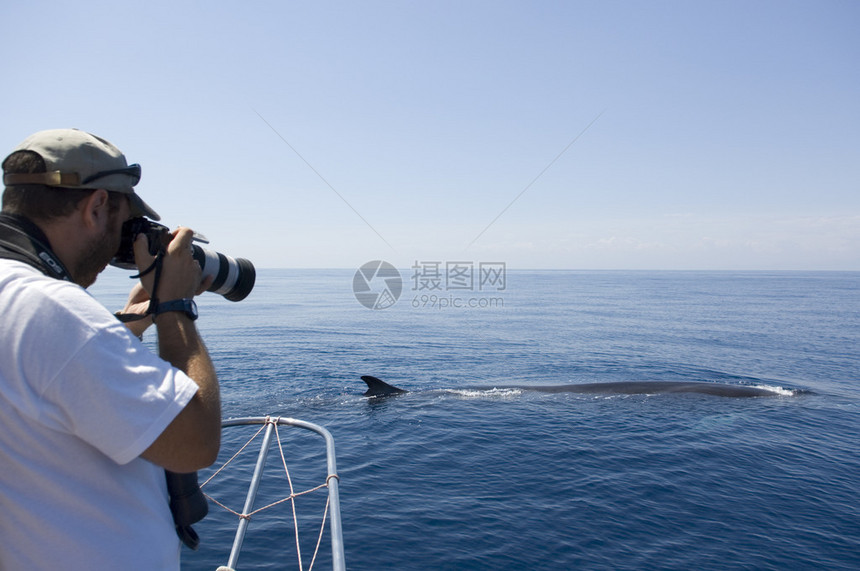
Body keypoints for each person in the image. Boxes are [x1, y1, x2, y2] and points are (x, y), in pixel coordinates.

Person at [0, 128, 221, 569]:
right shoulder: (52, 308)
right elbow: (195, 442)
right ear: (97, 205)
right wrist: (174, 307)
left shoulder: (17, 296)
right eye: (125, 227)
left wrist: (120, 331)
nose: (121, 248)